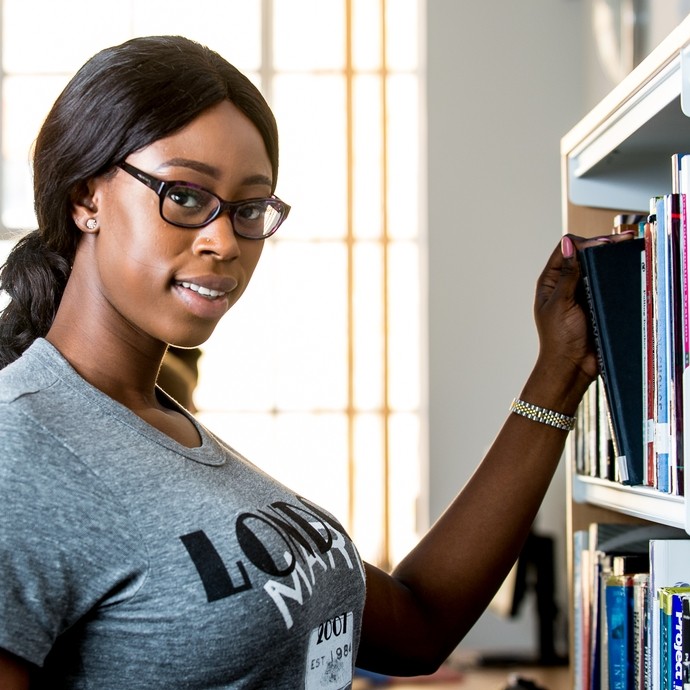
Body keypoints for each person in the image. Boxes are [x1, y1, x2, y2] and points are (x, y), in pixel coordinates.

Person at [0, 35, 629, 689]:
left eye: (247, 209)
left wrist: (559, 373)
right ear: (85, 198)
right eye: (184, 196)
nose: (223, 241)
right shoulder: (21, 446)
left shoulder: (172, 433)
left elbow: (419, 625)